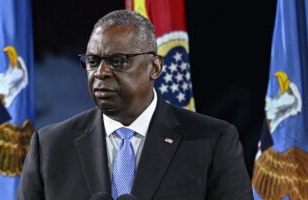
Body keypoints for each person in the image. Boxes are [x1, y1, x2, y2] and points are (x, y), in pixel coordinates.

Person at [17, 9, 253, 200]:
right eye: (92, 61)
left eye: (117, 61)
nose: (101, 73)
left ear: (155, 67)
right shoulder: (49, 147)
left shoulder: (212, 141)